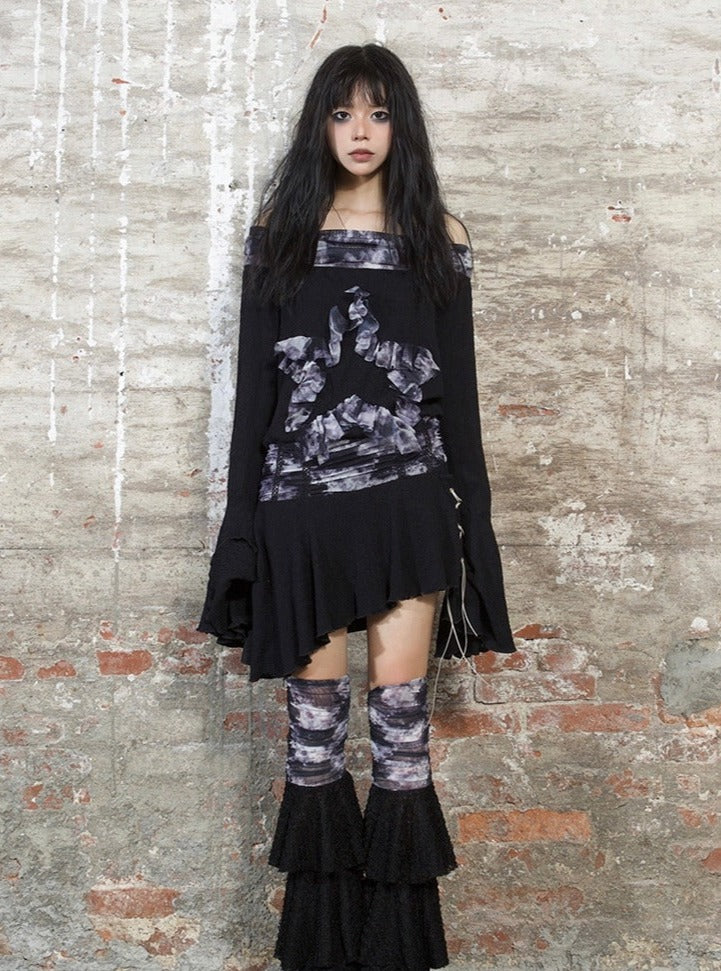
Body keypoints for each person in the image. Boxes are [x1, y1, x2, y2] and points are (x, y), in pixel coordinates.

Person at [198, 42, 516, 971]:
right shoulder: (281, 234)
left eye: (378, 113)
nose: (361, 132)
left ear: (400, 126)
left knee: (402, 735)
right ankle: (319, 951)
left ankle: (396, 953)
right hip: (299, 513)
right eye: (342, 114)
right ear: (319, 126)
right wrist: (240, 536)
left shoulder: (436, 237)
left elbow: (458, 402)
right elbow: (254, 400)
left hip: (408, 511)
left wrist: (477, 542)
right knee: (313, 741)